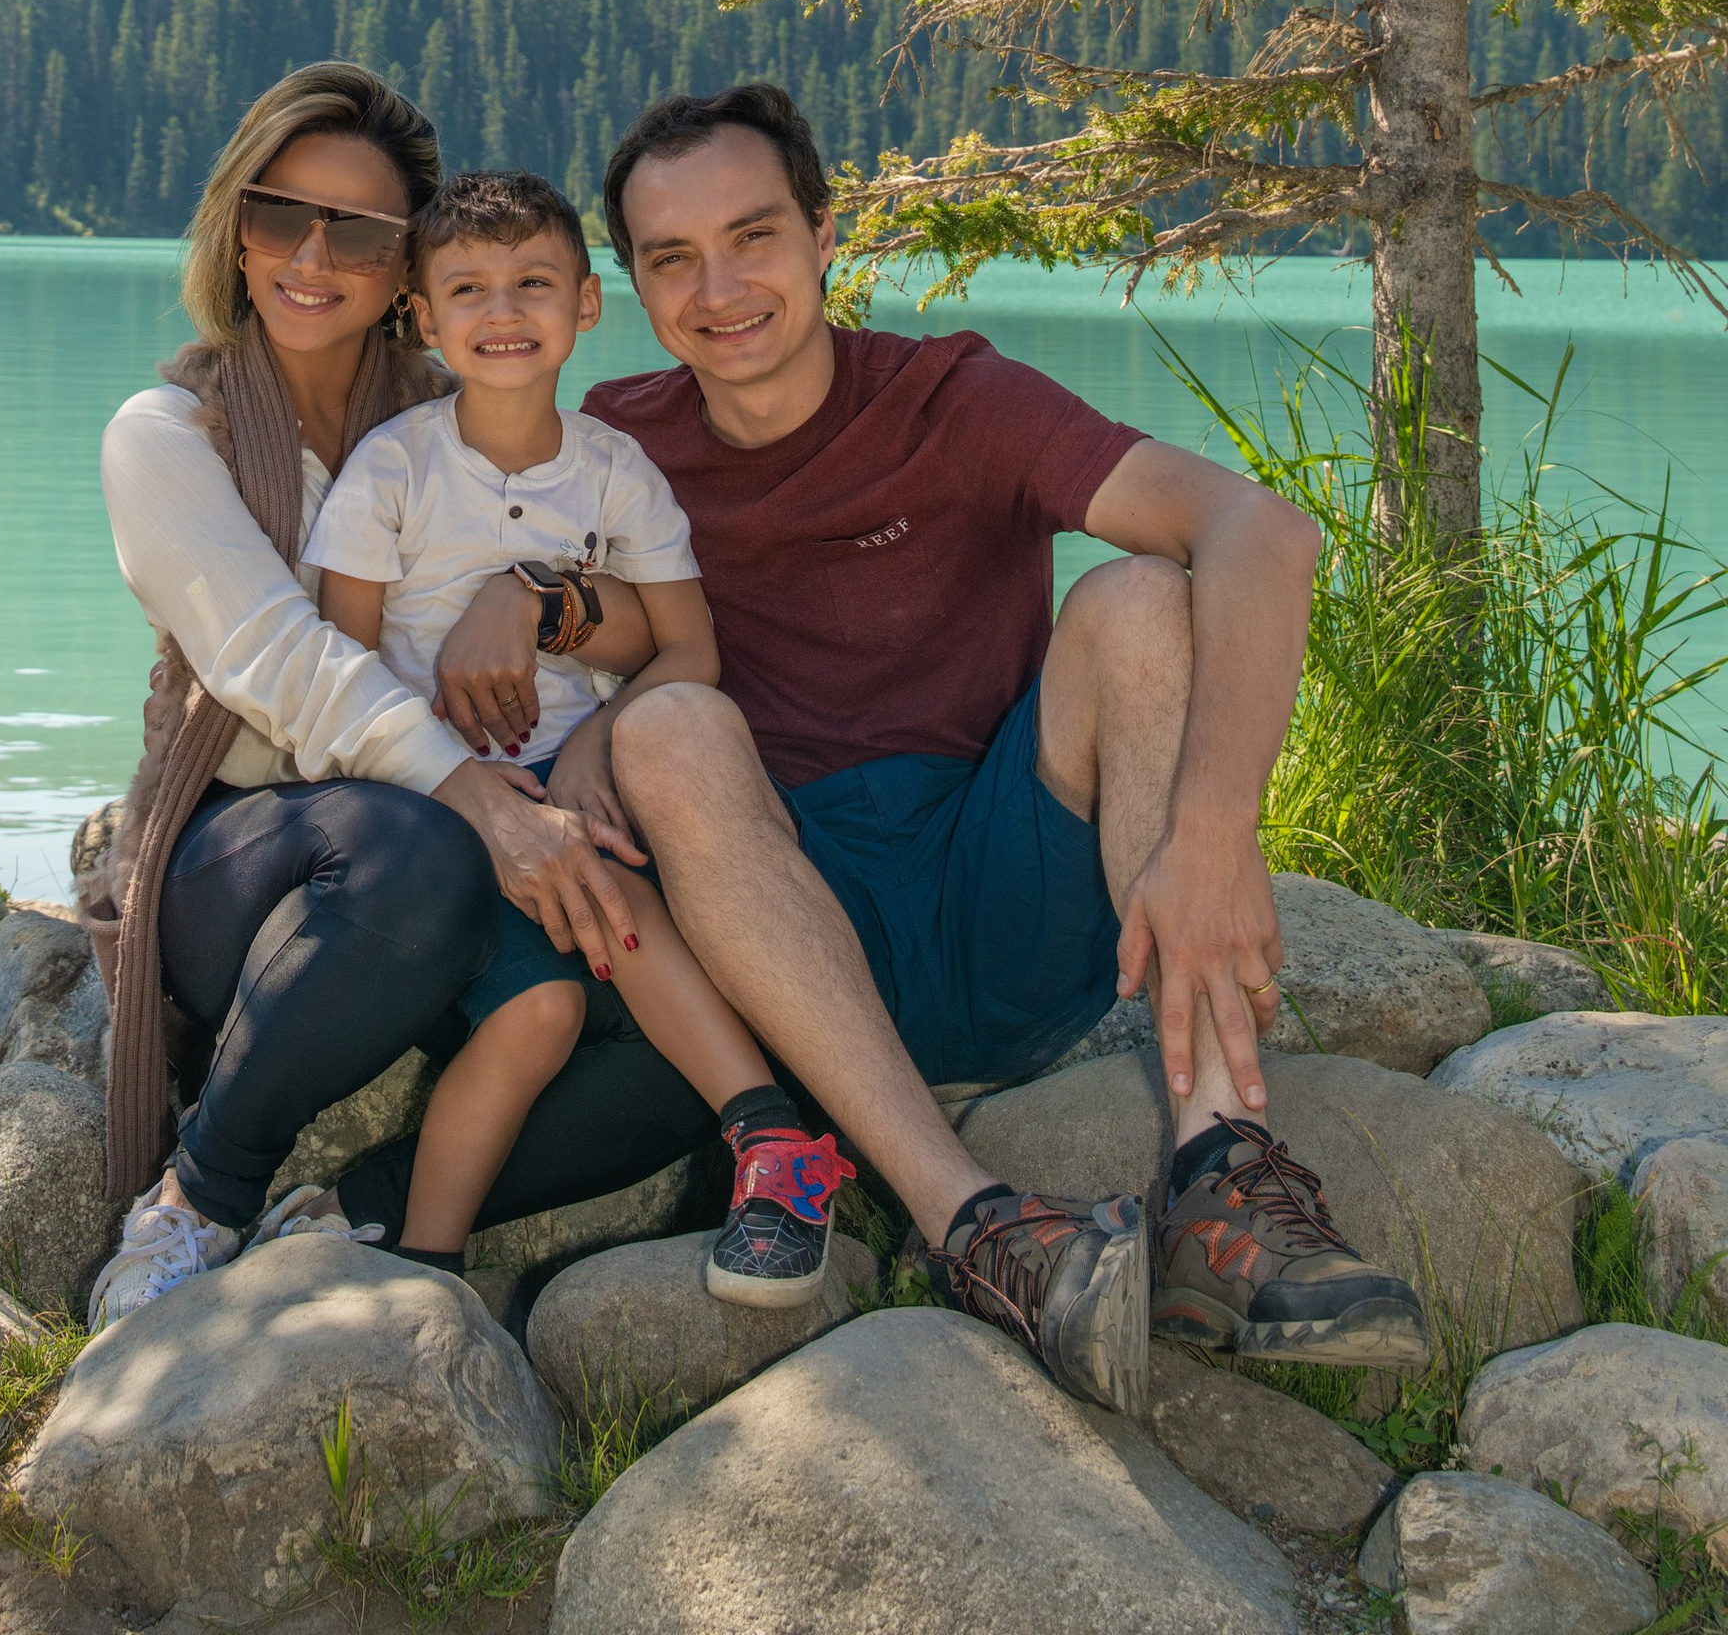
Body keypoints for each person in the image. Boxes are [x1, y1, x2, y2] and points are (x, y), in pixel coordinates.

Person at [431, 79, 1429, 1418]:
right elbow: (616, 636)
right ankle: (977, 1227)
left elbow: (1262, 533)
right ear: (634, 281)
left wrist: (1212, 835)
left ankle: (1220, 1180)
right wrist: (586, 690)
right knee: (666, 723)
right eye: (673, 257)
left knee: (1134, 598)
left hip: (1000, 897)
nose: (720, 287)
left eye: (754, 236)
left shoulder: (955, 398)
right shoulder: (625, 440)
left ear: (826, 231)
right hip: (788, 944)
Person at [80, 62, 698, 1330]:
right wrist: (488, 803)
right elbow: (283, 667)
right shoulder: (166, 434)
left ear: (404, 267)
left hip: (467, 822)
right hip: (253, 851)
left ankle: (365, 1202)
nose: (313, 256)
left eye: (358, 232)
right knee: (415, 847)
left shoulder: (451, 417)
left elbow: (637, 623)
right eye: (277, 216)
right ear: (232, 232)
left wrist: (537, 596)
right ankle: (199, 1199)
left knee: (684, 1010)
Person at [305, 169, 855, 1304]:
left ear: (586, 304)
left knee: (624, 898)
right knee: (548, 1002)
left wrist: (603, 740)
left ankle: (769, 1144)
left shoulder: (614, 470)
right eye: (466, 289)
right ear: (421, 315)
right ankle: (430, 1268)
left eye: (532, 284)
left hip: (567, 772)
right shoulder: (395, 469)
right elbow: (339, 666)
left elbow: (689, 650)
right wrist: (455, 786)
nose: (502, 314)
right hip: (424, 794)